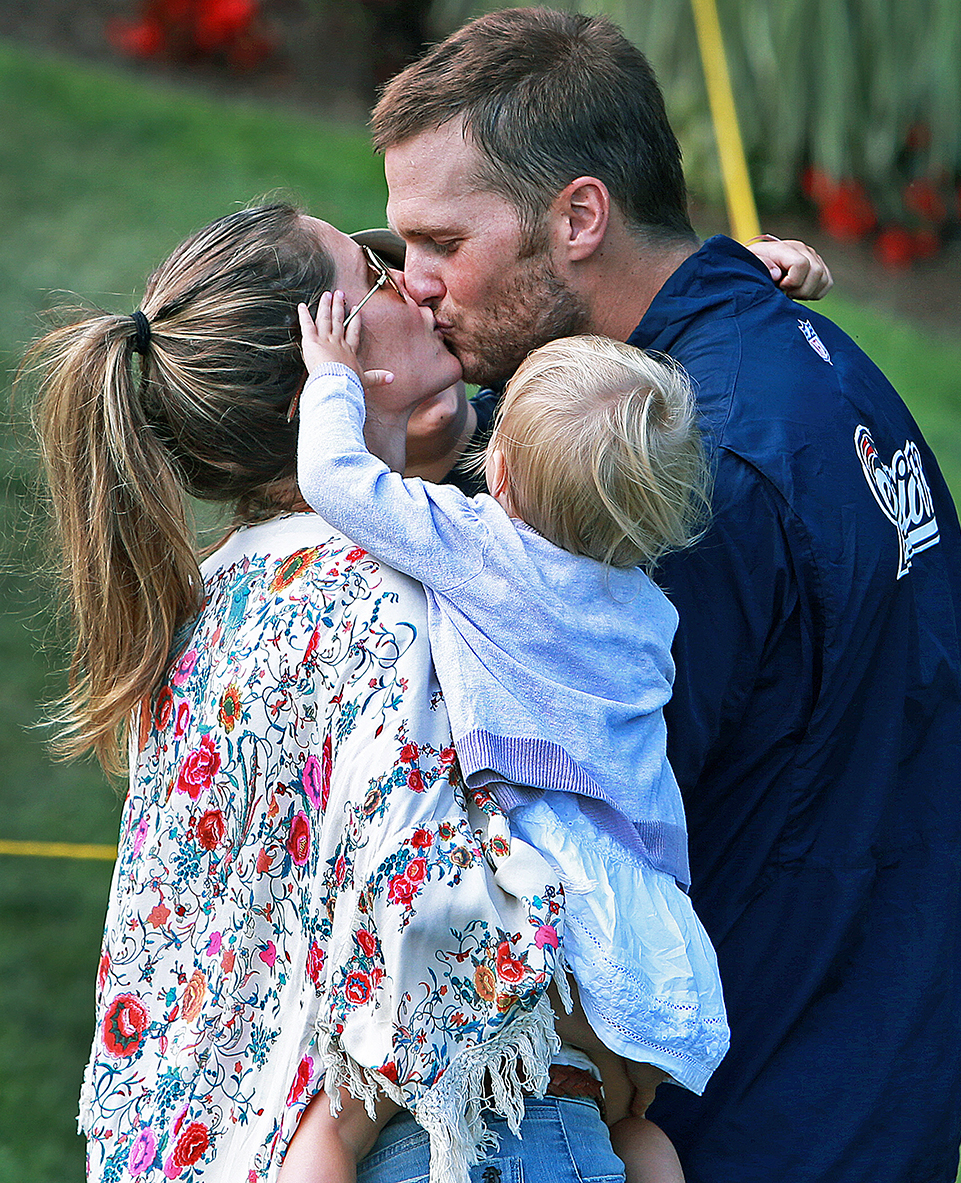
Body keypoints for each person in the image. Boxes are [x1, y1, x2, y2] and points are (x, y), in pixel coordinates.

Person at [366, 7, 961, 1183]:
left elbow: (564, 823)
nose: (417, 284)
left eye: (441, 241)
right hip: (863, 1108)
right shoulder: (809, 366)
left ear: (579, 216)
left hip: (752, 1127)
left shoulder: (676, 476)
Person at [19, 202, 626, 1183]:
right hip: (429, 1150)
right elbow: (440, 927)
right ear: (328, 383)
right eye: (375, 278)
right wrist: (607, 1029)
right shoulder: (381, 601)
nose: (415, 288)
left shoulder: (209, 599)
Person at [285, 290, 730, 1183]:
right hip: (639, 923)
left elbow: (336, 482)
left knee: (345, 1124)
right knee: (631, 1113)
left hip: (526, 887)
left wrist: (333, 382)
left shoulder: (482, 548)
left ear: (504, 474)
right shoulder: (647, 613)